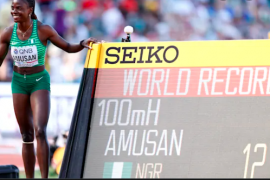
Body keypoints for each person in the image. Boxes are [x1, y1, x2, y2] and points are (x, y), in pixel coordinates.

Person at [0, 0, 101, 178]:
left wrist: (82, 43)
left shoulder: (43, 30)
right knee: (26, 134)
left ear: (30, 10)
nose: (14, 12)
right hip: (18, 83)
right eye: (12, 8)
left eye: (19, 8)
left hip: (38, 81)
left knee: (40, 130)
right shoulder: (8, 33)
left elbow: (68, 47)